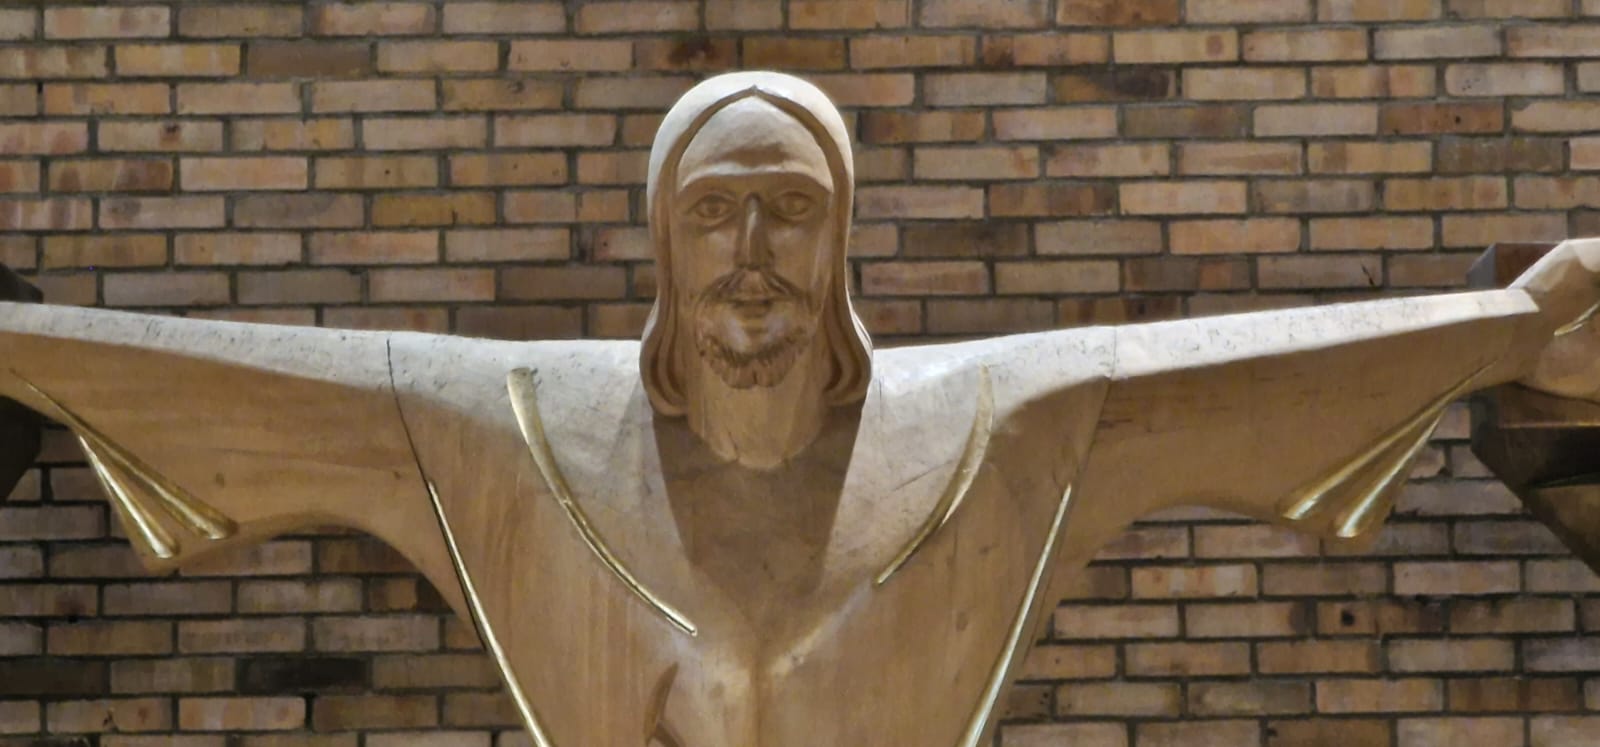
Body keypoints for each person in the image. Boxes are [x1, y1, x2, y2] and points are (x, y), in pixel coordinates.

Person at [3, 71, 1598, 745]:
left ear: (842, 243)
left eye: (791, 210)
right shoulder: (515, 423)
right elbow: (235, 383)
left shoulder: (992, 423)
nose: (752, 257)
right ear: (661, 245)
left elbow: (1248, 374)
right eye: (713, 215)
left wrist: (1511, 333)